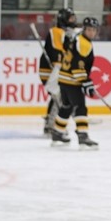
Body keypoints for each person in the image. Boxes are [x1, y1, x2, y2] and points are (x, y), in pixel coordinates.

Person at [51, 16, 99, 149]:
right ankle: (83, 135)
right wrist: (85, 81)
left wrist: (85, 81)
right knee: (80, 107)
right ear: (84, 29)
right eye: (89, 29)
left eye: (93, 30)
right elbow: (78, 65)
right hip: (72, 80)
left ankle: (57, 132)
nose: (91, 32)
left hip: (63, 78)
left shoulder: (77, 38)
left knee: (67, 106)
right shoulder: (83, 43)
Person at [39, 8, 76, 136]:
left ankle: (50, 125)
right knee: (60, 98)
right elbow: (57, 51)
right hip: (50, 72)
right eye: (71, 18)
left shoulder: (67, 33)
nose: (73, 21)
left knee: (58, 97)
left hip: (57, 71)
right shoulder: (56, 31)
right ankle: (52, 126)